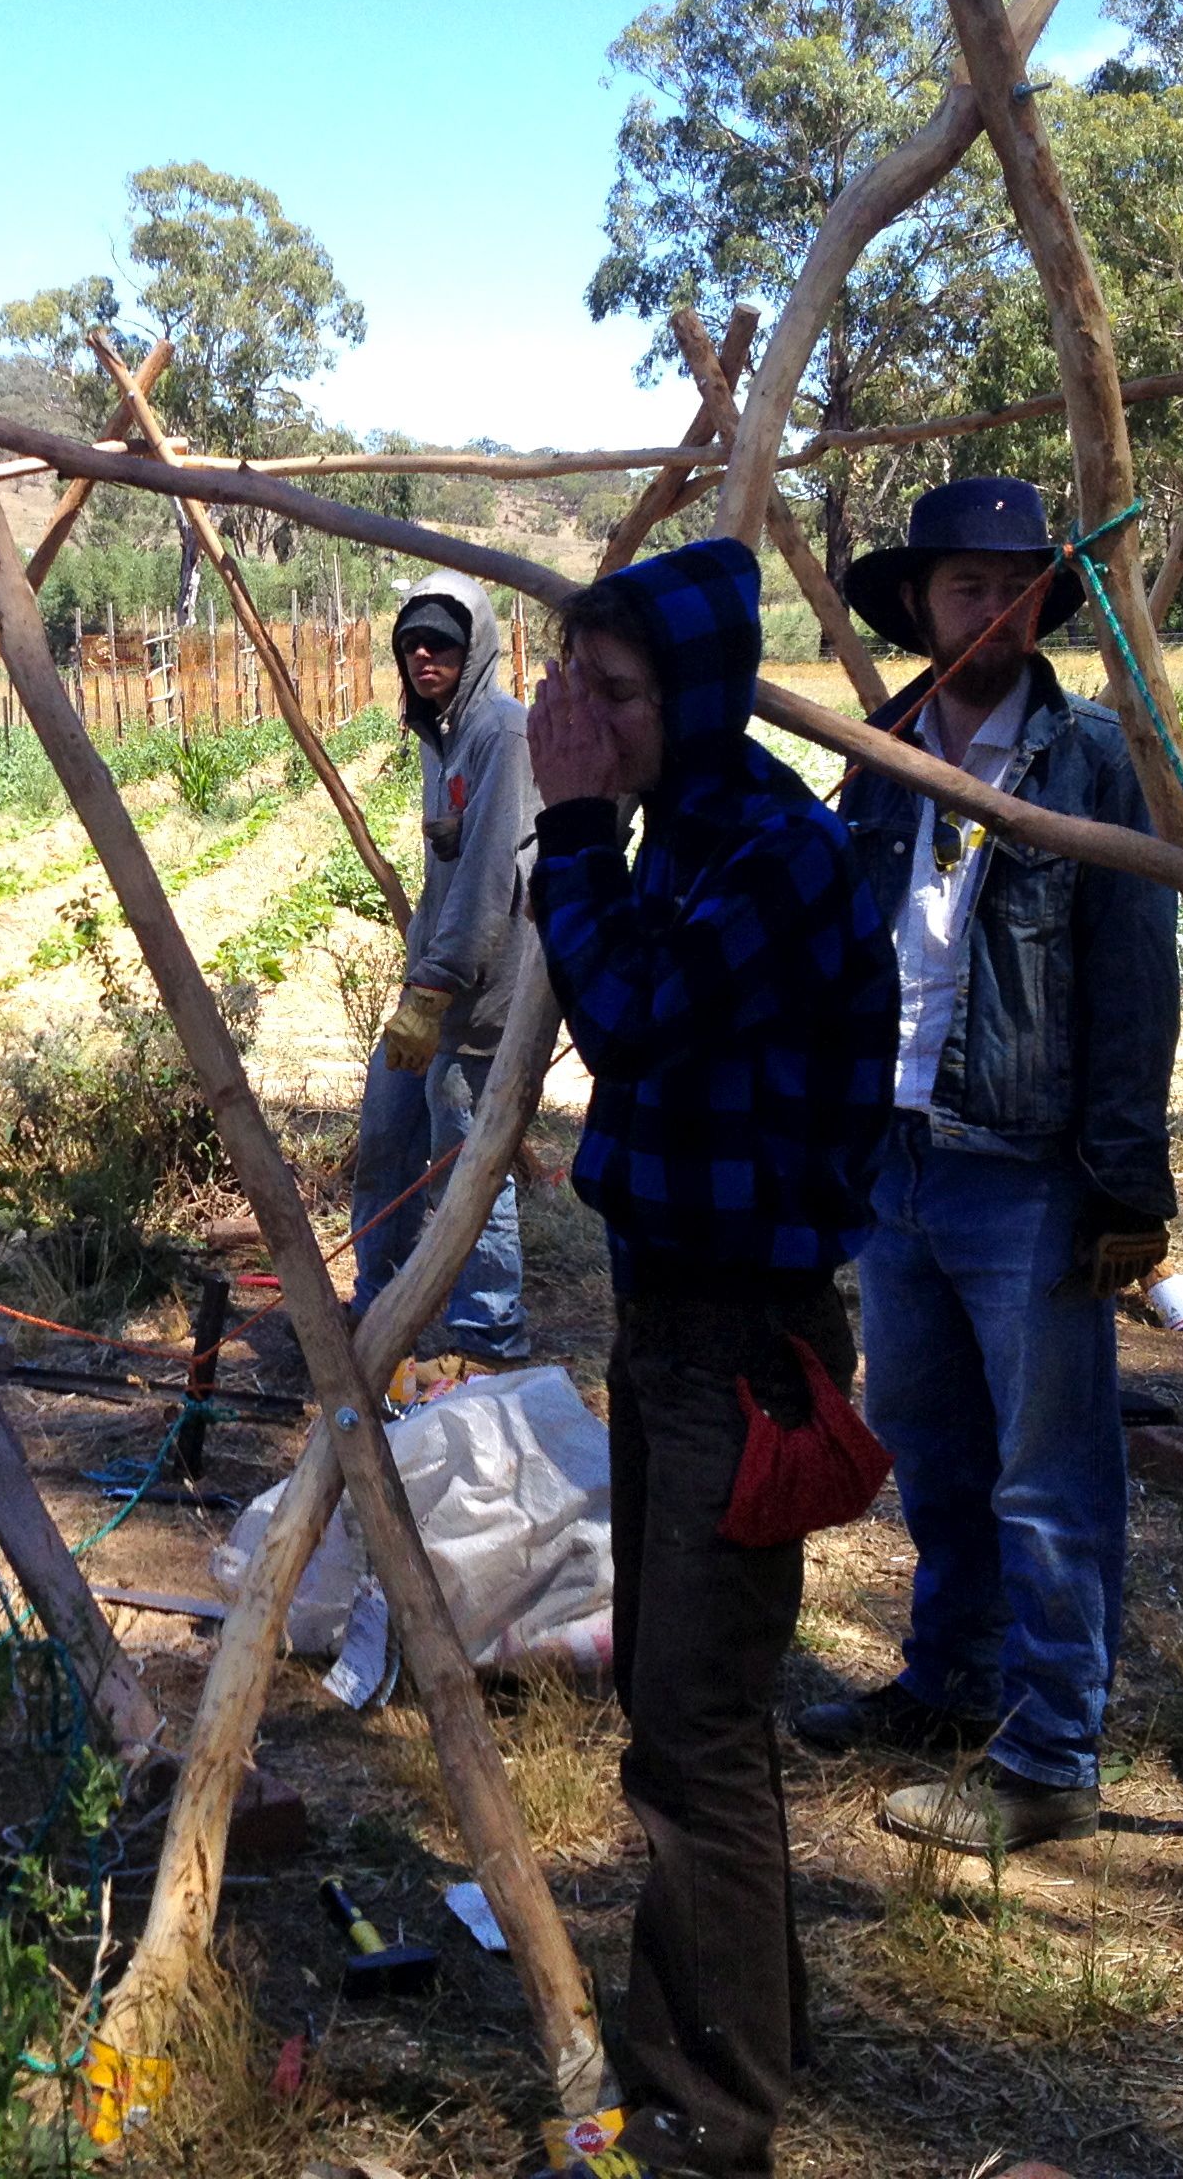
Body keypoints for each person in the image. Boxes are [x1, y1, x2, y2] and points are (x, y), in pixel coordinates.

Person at [529, 535, 895, 2179]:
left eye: (611, 691)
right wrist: (593, 826)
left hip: (739, 1345)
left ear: (687, 696)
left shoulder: (770, 853)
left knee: (689, 1735)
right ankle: (748, 2032)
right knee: (690, 1713)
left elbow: (622, 1017)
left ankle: (700, 2121)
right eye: (573, 685)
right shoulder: (682, 827)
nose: (578, 716)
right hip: (663, 1318)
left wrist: (559, 826)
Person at [796, 477, 1181, 1854]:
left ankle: (1050, 1755)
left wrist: (1128, 1188)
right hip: (896, 1154)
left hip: (1026, 1167)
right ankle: (947, 1681)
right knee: (933, 1447)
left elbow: (1136, 978)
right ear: (918, 602)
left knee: (1048, 1468)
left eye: (1016, 588)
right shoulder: (882, 749)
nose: (995, 610)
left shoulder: (1088, 765)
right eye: (968, 586)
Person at [346, 575, 535, 1360]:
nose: (424, 655)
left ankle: (487, 1333)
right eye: (411, 643)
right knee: (387, 1132)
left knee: (467, 1166)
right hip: (428, 987)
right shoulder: (442, 733)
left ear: (475, 649)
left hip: (478, 999)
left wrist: (436, 982)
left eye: (442, 644)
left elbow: (494, 875)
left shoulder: (501, 732)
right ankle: (379, 1306)